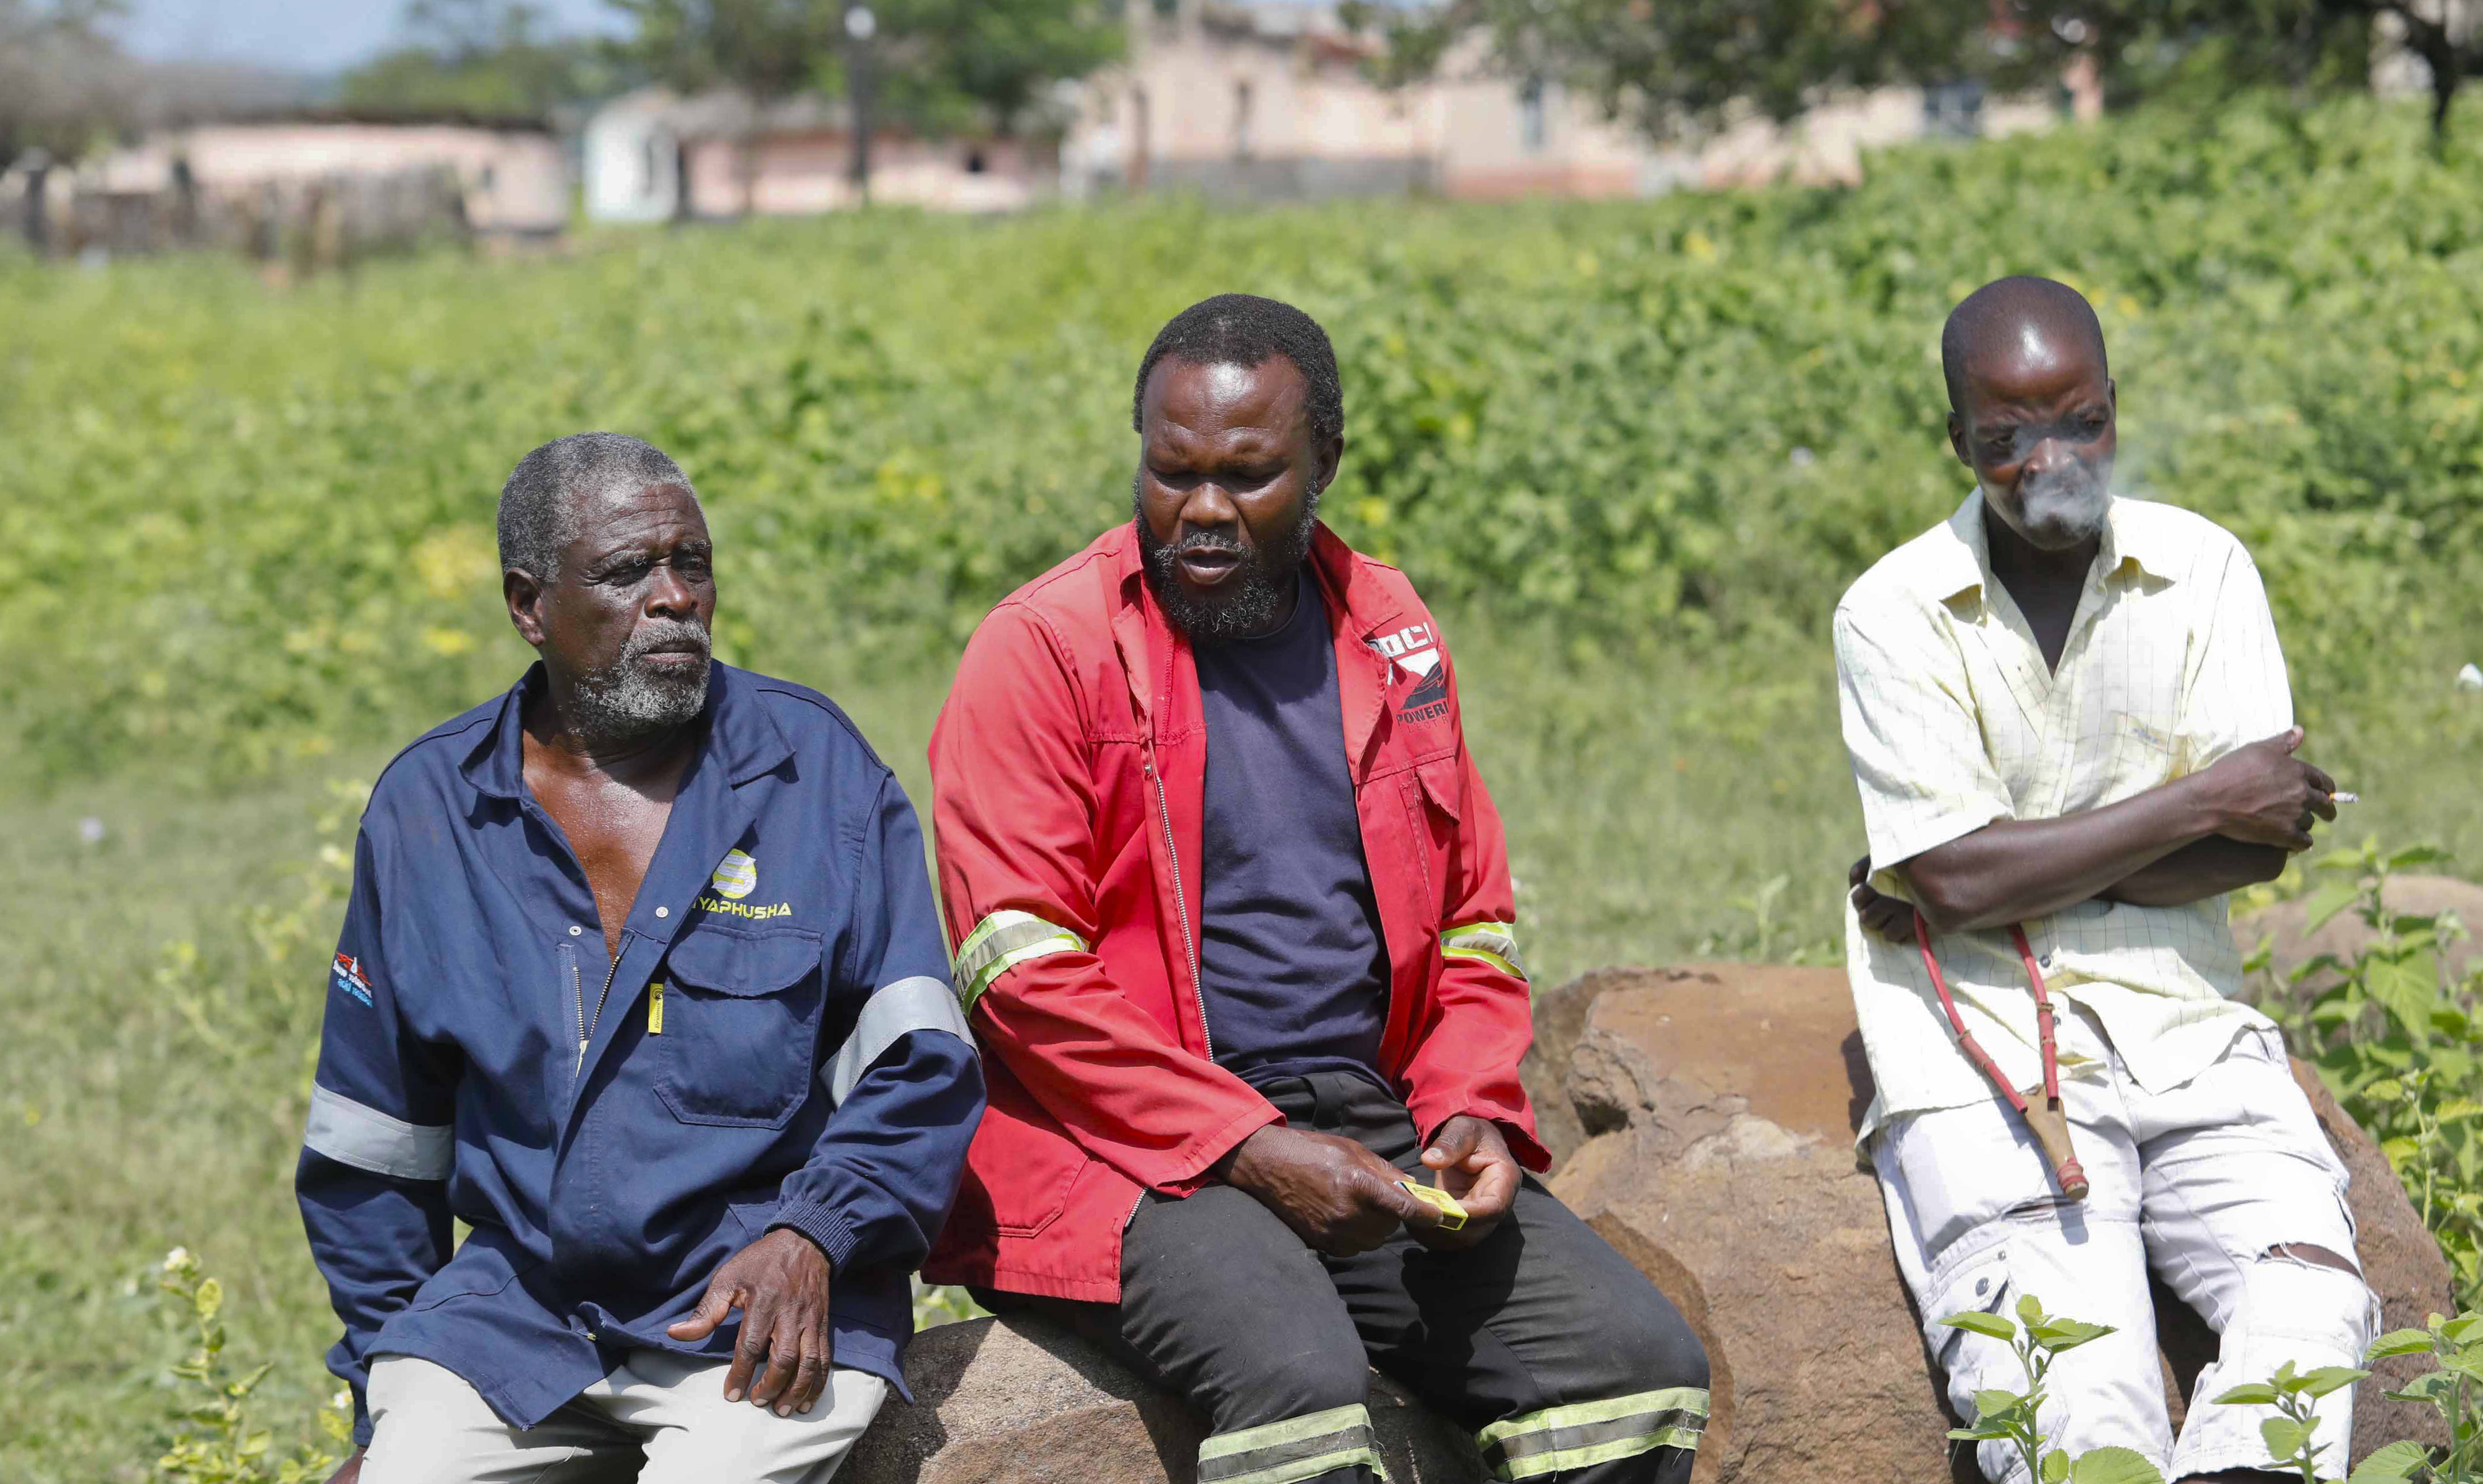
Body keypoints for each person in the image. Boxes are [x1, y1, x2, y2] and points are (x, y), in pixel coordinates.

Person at [922, 294, 1710, 1484]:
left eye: (1247, 476)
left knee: (1636, 1368)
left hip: (1365, 1117)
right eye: (1171, 470)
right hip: (1123, 1145)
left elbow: (1474, 920)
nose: (1202, 512)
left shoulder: (1388, 628)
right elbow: (1020, 979)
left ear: (1325, 461)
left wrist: (1470, 1106)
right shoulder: (1043, 650)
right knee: (1298, 1383)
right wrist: (1249, 1145)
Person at [298, 432, 984, 1484]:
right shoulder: (428, 811)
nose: (674, 599)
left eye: (692, 565)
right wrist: (381, 1405)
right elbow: (374, 1143)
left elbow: (921, 1068)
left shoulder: (815, 772)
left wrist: (816, 1235)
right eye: (627, 573)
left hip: (761, 1320)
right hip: (516, 1321)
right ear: (530, 606)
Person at [1835, 278, 2374, 1484]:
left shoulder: (2206, 569)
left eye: (2077, 423)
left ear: (2115, 412)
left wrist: (1983, 863)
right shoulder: (1892, 613)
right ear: (1959, 443)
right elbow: (1969, 884)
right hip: (1983, 1053)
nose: (2045, 462)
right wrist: (2194, 803)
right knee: (2073, 1392)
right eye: (2003, 439)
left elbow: (2259, 839)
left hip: (2188, 1031)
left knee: (2312, 1311)